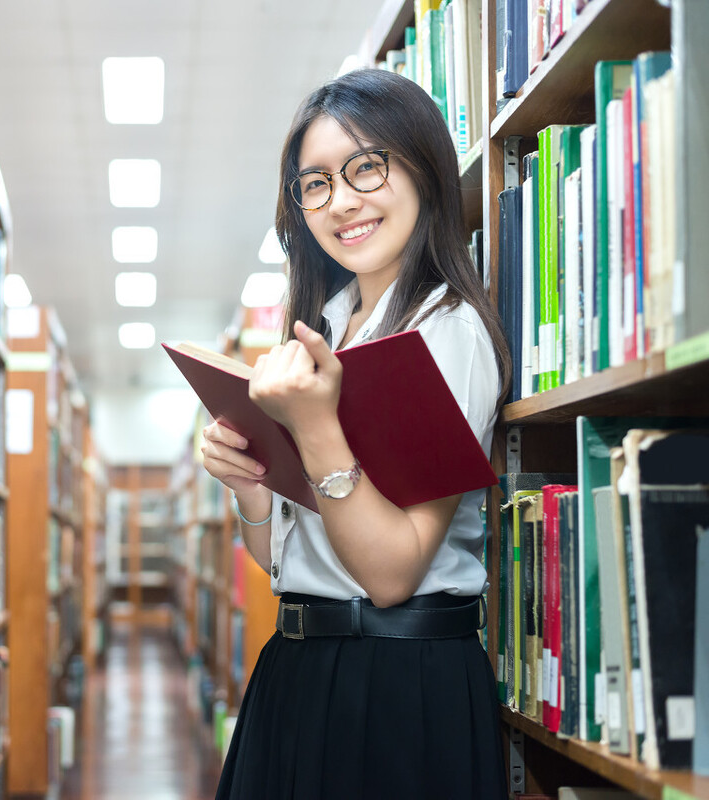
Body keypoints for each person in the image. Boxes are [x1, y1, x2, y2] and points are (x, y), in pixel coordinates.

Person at [203, 68, 512, 800]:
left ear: (424, 168)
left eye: (365, 167)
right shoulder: (326, 327)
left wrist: (314, 428)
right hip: (301, 666)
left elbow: (390, 574)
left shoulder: (447, 333)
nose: (341, 201)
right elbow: (283, 563)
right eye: (314, 184)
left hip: (399, 680)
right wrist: (247, 483)